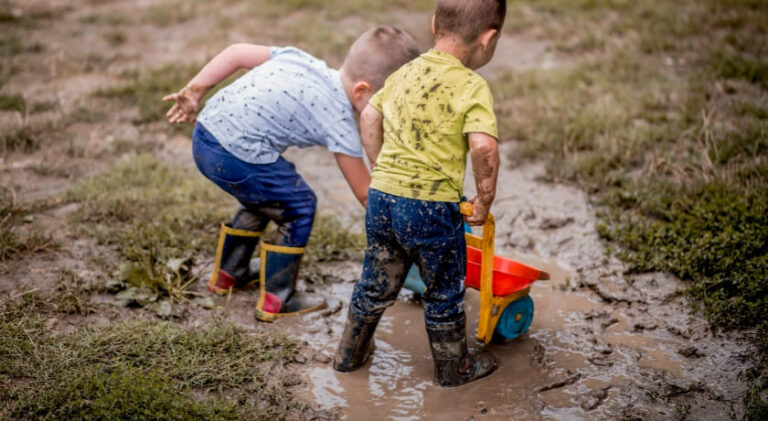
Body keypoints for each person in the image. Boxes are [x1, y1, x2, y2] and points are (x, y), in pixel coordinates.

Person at [163, 26, 420, 322]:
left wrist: (195, 91)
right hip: (234, 153)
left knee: (266, 196)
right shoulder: (339, 120)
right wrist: (405, 228)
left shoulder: (299, 59)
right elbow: (366, 193)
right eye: (388, 106)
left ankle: (228, 275)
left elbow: (235, 53)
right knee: (299, 205)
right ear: (362, 91)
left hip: (205, 135)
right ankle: (278, 299)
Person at [333, 0, 505, 387]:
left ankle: (348, 356)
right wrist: (484, 200)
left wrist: (380, 169)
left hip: (382, 201)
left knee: (375, 282)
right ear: (488, 38)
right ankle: (452, 369)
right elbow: (483, 148)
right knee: (444, 289)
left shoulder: (403, 73)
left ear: (433, 25)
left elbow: (370, 116)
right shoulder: (472, 85)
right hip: (430, 207)